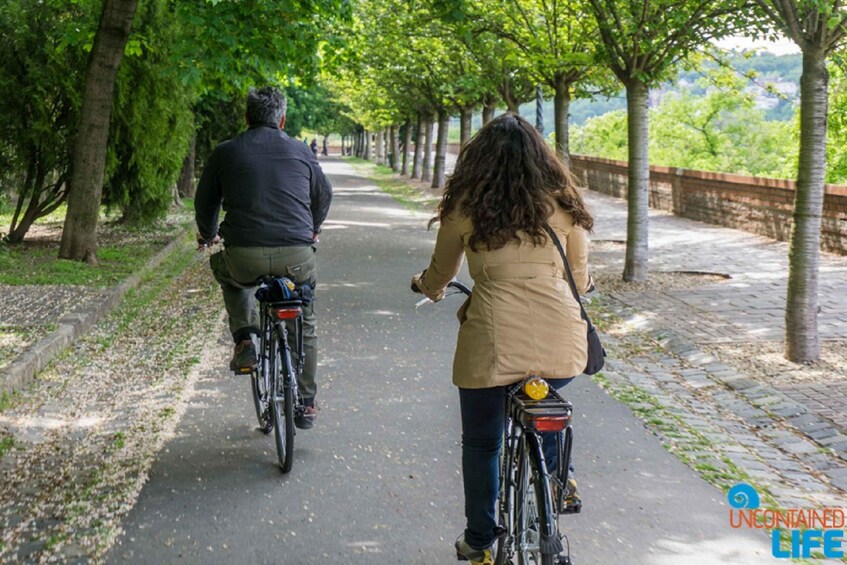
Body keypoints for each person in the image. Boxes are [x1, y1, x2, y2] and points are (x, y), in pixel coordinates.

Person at [411, 113, 593, 565]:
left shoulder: (465, 207)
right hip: (562, 340)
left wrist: (426, 287)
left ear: (479, 159)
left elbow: (441, 274)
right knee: (549, 397)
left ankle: (478, 540)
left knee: (482, 441)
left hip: (491, 342)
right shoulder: (565, 203)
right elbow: (582, 279)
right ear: (540, 157)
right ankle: (559, 476)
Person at [195, 86, 332, 430]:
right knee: (306, 319)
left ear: (246, 118)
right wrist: (312, 228)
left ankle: (245, 338)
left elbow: (205, 202)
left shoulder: (226, 152)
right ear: (282, 119)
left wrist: (209, 233)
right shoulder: (301, 151)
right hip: (297, 256)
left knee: (227, 274)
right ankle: (306, 402)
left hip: (244, 256)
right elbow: (323, 194)